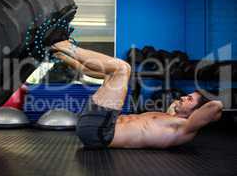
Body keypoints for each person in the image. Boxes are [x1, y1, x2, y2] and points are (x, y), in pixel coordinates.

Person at [51, 40, 223, 149]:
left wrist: (212, 108)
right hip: (97, 125)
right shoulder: (169, 115)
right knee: (109, 73)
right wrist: (178, 107)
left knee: (123, 68)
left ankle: (63, 44)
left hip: (100, 133)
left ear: (196, 112)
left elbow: (216, 106)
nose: (184, 96)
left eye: (190, 99)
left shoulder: (183, 128)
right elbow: (181, 108)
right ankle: (60, 53)